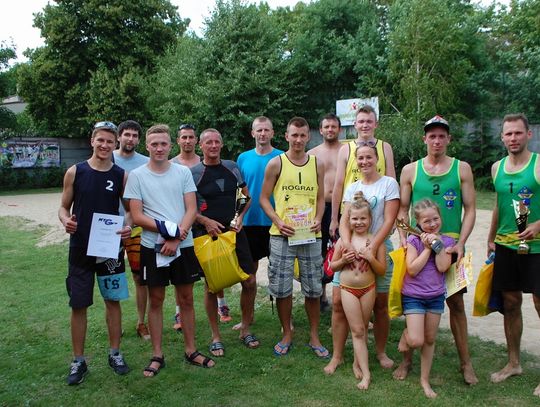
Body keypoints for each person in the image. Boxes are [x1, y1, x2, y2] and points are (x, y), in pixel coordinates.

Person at [124, 124, 214, 376]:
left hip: (181, 246)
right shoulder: (137, 176)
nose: (159, 148)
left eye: (163, 144)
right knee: (156, 300)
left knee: (185, 299)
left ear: (170, 145)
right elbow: (137, 215)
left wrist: (176, 237)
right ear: (147, 146)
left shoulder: (182, 173)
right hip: (152, 247)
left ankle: (191, 350)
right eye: (154, 144)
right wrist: (168, 232)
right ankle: (157, 354)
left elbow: (190, 210)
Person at [396, 115, 478, 385]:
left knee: (456, 304)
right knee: (415, 298)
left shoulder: (462, 168)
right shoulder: (410, 170)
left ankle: (465, 364)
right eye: (432, 136)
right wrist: (405, 240)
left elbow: (470, 209)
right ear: (425, 139)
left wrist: (462, 242)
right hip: (421, 246)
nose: (437, 140)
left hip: (451, 247)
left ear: (449, 139)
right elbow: (402, 211)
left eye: (442, 136)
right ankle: (407, 361)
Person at [59, 121, 132, 385]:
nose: (104, 145)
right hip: (80, 248)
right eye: (100, 140)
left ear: (115, 145)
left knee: (113, 301)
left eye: (109, 142)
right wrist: (65, 220)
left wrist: (129, 226)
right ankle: (78, 360)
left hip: (110, 248)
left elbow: (131, 210)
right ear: (92, 140)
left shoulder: (121, 175)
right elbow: (63, 207)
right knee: (78, 304)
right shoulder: (74, 172)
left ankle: (115, 353)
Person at [326, 105, 397, 373]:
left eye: (370, 158)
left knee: (380, 304)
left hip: (377, 247)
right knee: (336, 303)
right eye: (361, 159)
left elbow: (389, 220)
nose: (365, 162)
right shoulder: (353, 187)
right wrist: (345, 243)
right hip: (351, 249)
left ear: (376, 158)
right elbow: (345, 219)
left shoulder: (388, 184)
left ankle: (379, 352)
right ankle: (337, 355)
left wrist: (372, 247)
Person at [260, 116, 328, 357]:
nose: (298, 140)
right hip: (282, 235)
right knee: (282, 287)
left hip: (311, 234)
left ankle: (314, 335)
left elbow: (320, 197)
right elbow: (263, 198)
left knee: (313, 287)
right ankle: (287, 333)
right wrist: (278, 221)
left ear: (309, 136)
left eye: (303, 135)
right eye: (294, 135)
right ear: (286, 136)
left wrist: (319, 217)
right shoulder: (276, 164)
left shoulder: (317, 164)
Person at [191, 128, 260, 357]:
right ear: (201, 145)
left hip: (234, 232)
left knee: (249, 281)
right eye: (208, 142)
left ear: (221, 144)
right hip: (207, 235)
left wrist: (240, 218)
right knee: (213, 286)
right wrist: (204, 220)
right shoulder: (193, 173)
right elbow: (186, 206)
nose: (213, 146)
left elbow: (245, 196)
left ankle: (246, 329)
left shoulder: (231, 167)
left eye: (216, 142)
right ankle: (215, 336)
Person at [487, 113, 540, 397]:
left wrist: (537, 225)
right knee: (510, 303)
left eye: (518, 133)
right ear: (502, 137)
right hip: (506, 245)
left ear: (528, 134)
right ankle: (514, 363)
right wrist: (489, 238)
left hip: (537, 246)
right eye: (508, 134)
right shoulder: (497, 167)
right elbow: (498, 205)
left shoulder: (539, 164)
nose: (513, 139)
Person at [170, 124, 232, 327]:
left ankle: (222, 304)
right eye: (183, 137)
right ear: (178, 140)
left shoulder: (203, 162)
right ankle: (179, 310)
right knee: (179, 269)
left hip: (205, 223)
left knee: (214, 266)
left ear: (197, 141)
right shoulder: (171, 164)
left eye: (191, 137)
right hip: (179, 222)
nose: (187, 141)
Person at [330, 192, 386, 390]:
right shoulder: (344, 242)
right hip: (347, 289)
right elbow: (332, 267)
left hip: (368, 289)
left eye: (363, 218)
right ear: (349, 220)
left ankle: (356, 362)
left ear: (370, 219)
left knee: (361, 327)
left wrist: (370, 258)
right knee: (357, 330)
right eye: (355, 218)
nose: (359, 222)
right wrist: (343, 260)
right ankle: (367, 375)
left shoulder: (375, 242)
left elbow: (381, 270)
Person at [398, 199, 454, 398]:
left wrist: (436, 245)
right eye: (426, 221)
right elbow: (412, 269)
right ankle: (407, 336)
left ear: (440, 218)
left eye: (435, 219)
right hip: (414, 295)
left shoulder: (447, 242)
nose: (432, 224)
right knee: (416, 339)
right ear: (419, 223)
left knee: (429, 339)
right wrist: (427, 249)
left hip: (435, 297)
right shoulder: (414, 241)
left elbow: (442, 267)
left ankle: (424, 380)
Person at [236, 116, 283, 329]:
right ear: (252, 133)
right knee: (249, 274)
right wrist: (238, 216)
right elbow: (240, 192)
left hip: (275, 222)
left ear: (273, 133)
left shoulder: (282, 157)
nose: (263, 134)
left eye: (266, 130)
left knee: (280, 272)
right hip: (250, 223)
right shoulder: (243, 158)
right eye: (259, 130)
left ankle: (285, 320)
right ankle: (248, 315)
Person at [113, 120, 150, 340]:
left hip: (137, 227)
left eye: (135, 136)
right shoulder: (108, 158)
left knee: (139, 278)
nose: (131, 139)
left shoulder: (145, 162)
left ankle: (141, 322)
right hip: (111, 227)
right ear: (119, 136)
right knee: (113, 275)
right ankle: (115, 322)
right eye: (127, 134)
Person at [307, 113, 343, 312]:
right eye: (326, 127)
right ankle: (320, 296)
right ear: (320, 130)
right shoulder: (312, 153)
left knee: (340, 249)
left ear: (339, 129)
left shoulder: (347, 151)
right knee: (318, 251)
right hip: (318, 207)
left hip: (341, 206)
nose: (330, 130)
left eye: (333, 126)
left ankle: (342, 292)